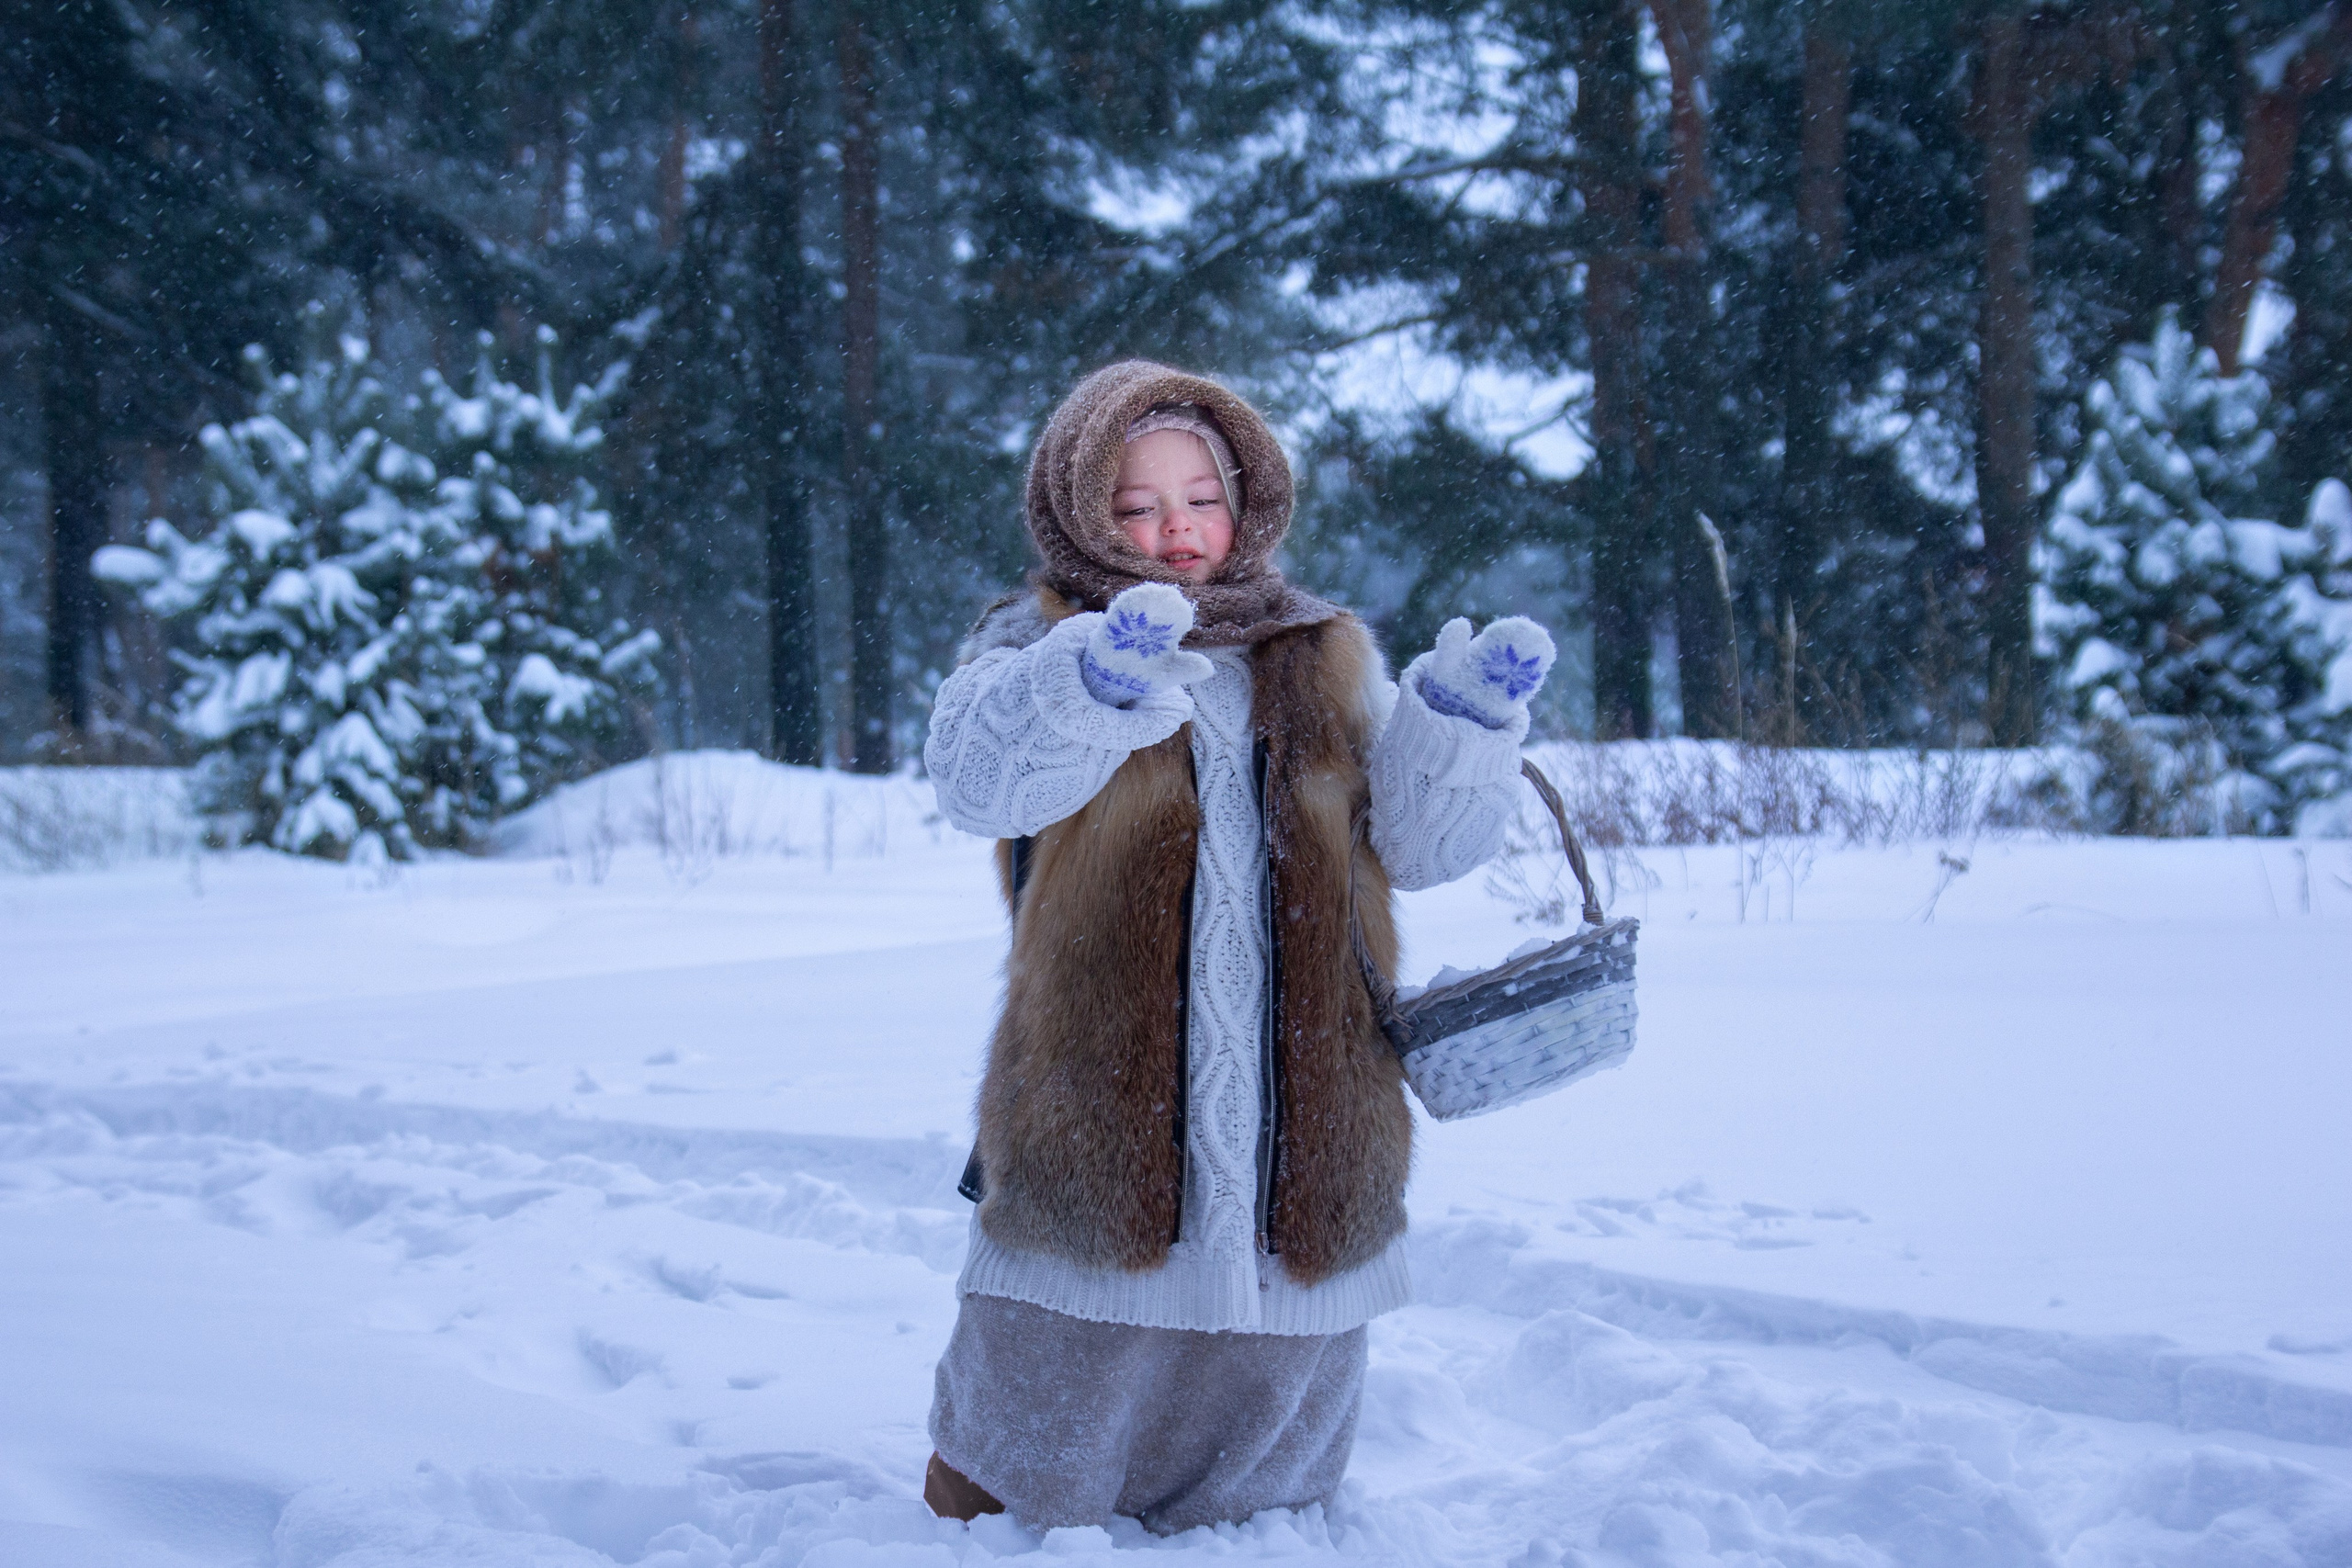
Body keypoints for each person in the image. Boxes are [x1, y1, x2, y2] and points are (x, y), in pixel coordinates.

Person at [920, 359, 1556, 1534]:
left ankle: (1253, 1518)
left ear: (1249, 497)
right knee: (1078, 1315)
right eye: (1134, 505)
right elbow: (979, 784)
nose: (1174, 531)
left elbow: (1414, 846)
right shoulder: (1032, 639)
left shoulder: (1317, 655)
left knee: (1278, 1320)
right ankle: (1016, 1509)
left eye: (1199, 497)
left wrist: (1462, 725)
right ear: (1076, 510)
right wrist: (1086, 685)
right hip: (1097, 1072)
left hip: (1309, 1076)